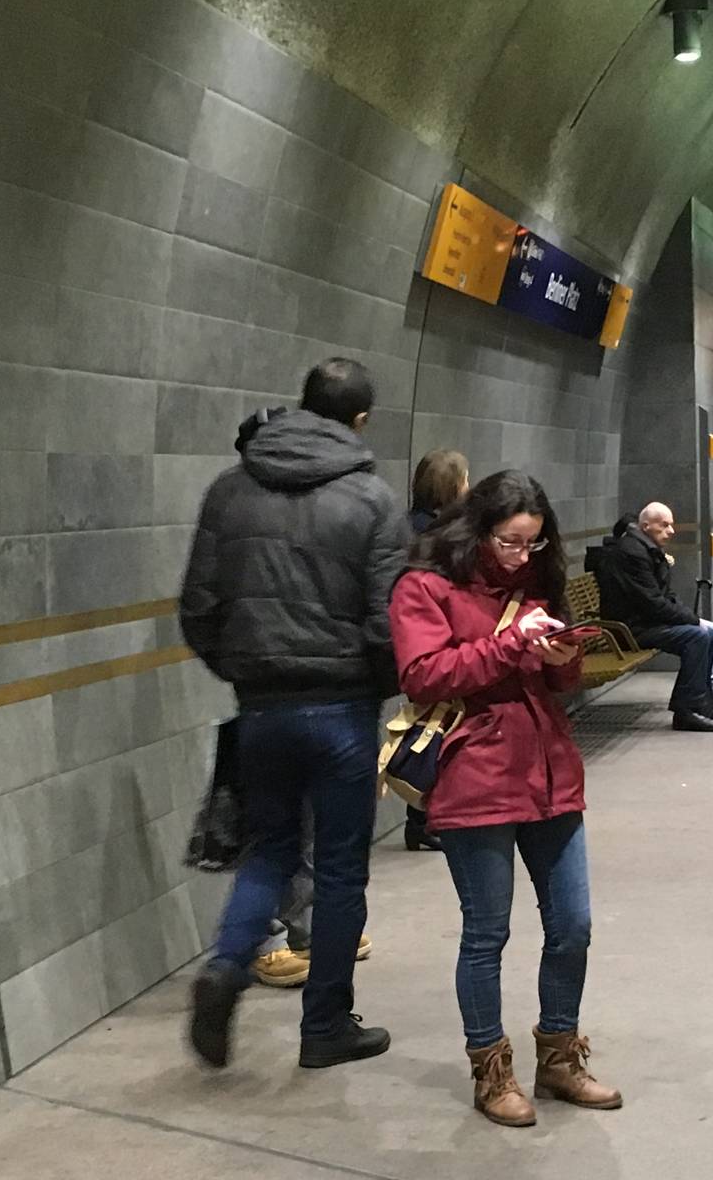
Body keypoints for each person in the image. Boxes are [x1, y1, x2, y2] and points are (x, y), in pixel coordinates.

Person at [178, 359, 405, 1071]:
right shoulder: (372, 499)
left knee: (270, 850)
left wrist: (245, 671)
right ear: (360, 420)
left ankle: (227, 965)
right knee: (339, 870)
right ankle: (326, 1026)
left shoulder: (229, 490)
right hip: (341, 708)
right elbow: (387, 622)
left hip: (261, 709)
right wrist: (376, 688)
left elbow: (198, 607)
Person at [391, 471, 624, 1127]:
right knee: (487, 932)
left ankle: (560, 1057)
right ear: (478, 531)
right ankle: (491, 1072)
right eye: (509, 542)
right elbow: (423, 674)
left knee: (572, 925)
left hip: (550, 772)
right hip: (476, 777)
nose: (522, 556)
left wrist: (557, 656)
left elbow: (562, 677)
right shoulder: (425, 585)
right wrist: (509, 643)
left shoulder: (539, 582)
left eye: (533, 543)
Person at [593, 502, 713, 730]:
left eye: (671, 525)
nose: (671, 531)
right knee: (697, 637)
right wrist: (691, 619)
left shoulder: (645, 548)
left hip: (642, 622)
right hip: (630, 629)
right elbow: (651, 602)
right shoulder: (632, 553)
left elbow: (663, 596)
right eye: (664, 525)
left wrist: (689, 618)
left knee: (705, 634)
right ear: (646, 526)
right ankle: (686, 711)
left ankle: (702, 707)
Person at [401, 449, 471, 851]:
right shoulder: (442, 536)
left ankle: (423, 816)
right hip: (439, 641)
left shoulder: (407, 526)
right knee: (436, 729)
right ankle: (425, 817)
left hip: (415, 640)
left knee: (429, 726)